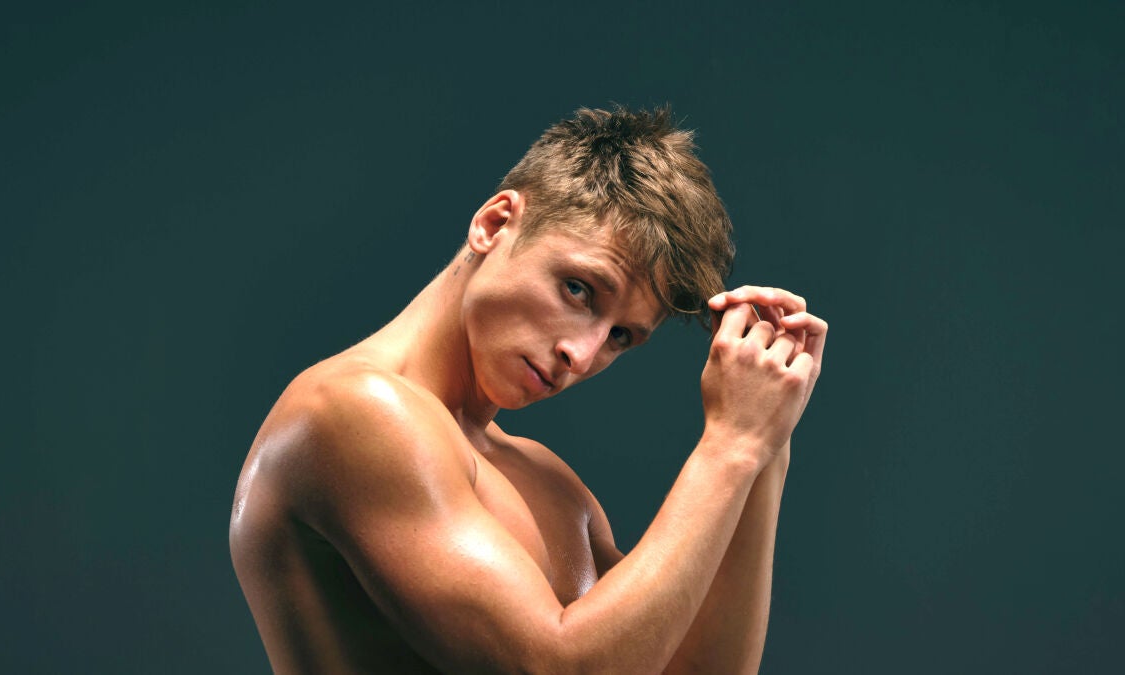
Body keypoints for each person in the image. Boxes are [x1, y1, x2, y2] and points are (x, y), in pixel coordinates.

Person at [229, 106, 827, 674]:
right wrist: (729, 446)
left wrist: (766, 444)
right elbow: (555, 667)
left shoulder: (548, 481)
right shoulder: (356, 410)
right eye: (578, 289)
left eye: (620, 336)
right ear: (494, 224)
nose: (582, 355)